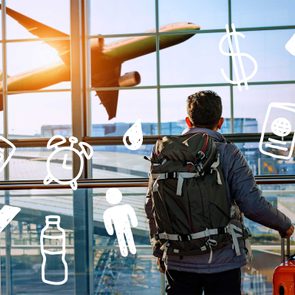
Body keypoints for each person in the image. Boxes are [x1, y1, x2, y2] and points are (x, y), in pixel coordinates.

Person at [145, 90, 294, 295]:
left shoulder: (165, 153)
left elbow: (151, 206)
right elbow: (251, 204)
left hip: (177, 258)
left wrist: (159, 250)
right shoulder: (227, 152)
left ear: (188, 121)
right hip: (222, 260)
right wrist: (284, 225)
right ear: (220, 121)